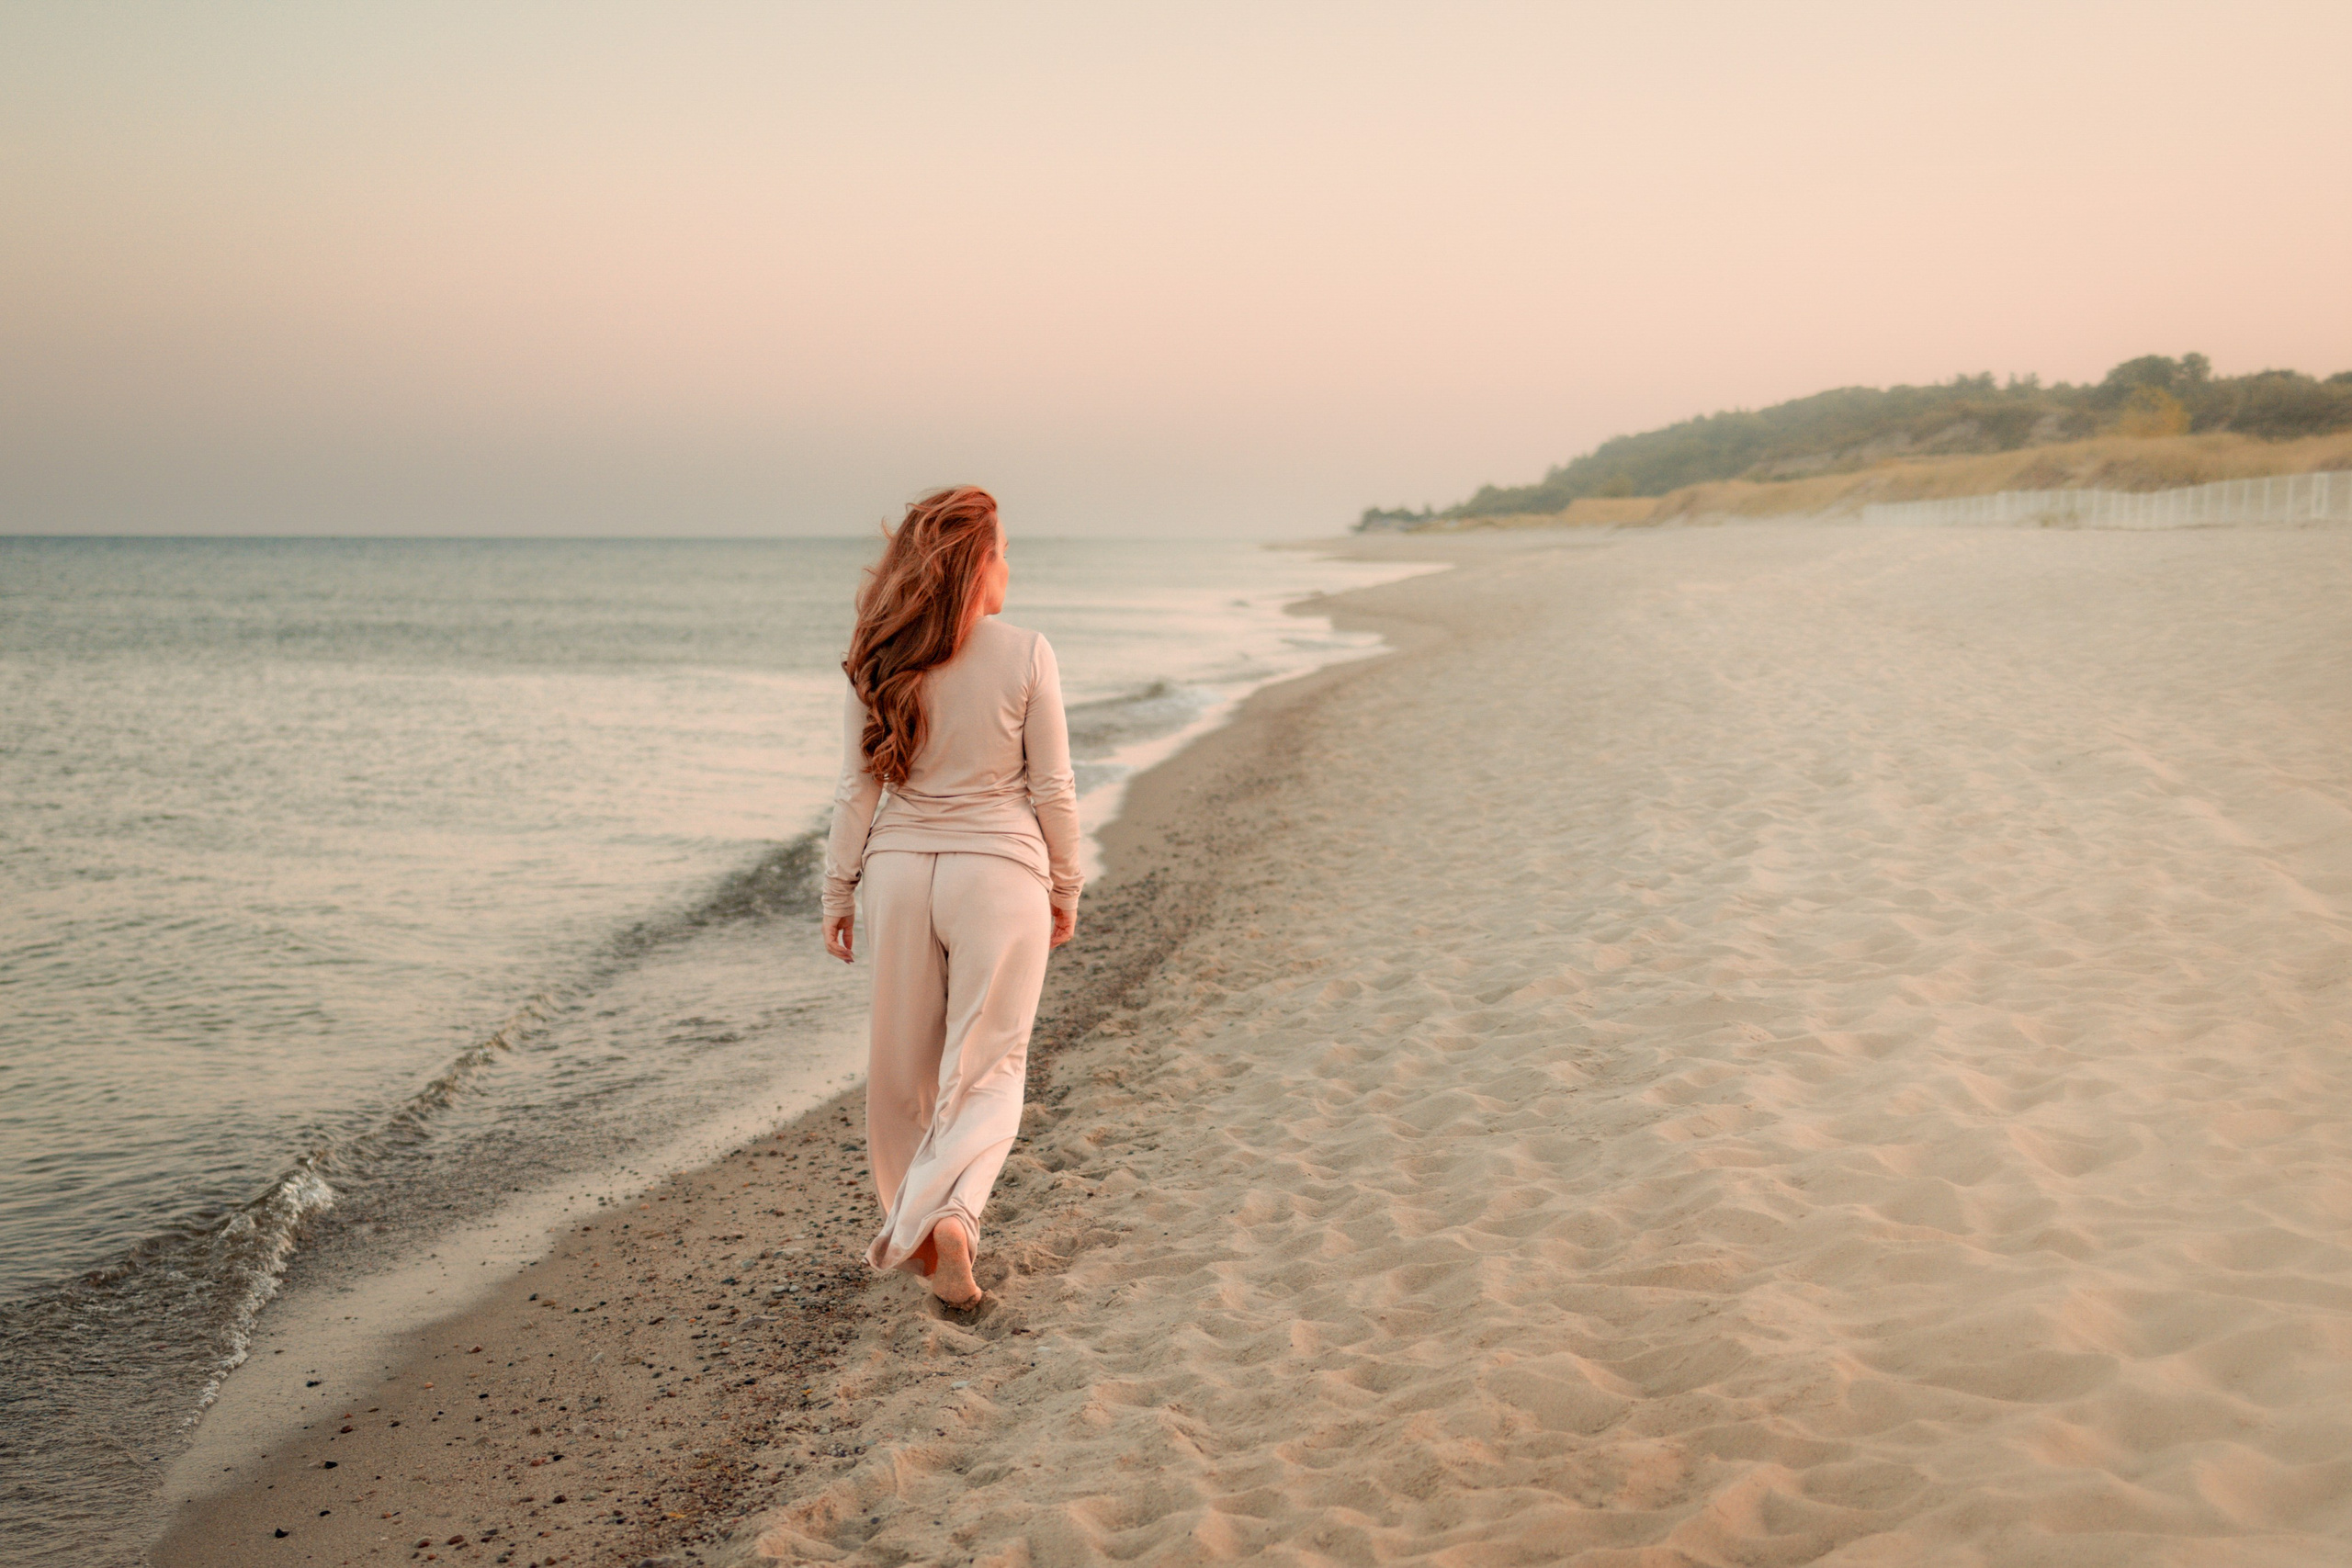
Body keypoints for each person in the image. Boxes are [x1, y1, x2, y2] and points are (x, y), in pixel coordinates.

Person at [820, 485, 1081, 1309]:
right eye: (1002, 550)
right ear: (977, 565)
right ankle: (956, 1220)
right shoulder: (1027, 651)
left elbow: (855, 790)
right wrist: (1066, 885)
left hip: (900, 875)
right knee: (990, 1070)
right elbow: (1056, 790)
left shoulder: (884, 649)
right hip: (998, 876)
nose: (1011, 565)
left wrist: (838, 889)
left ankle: (921, 1229)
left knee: (902, 1075)